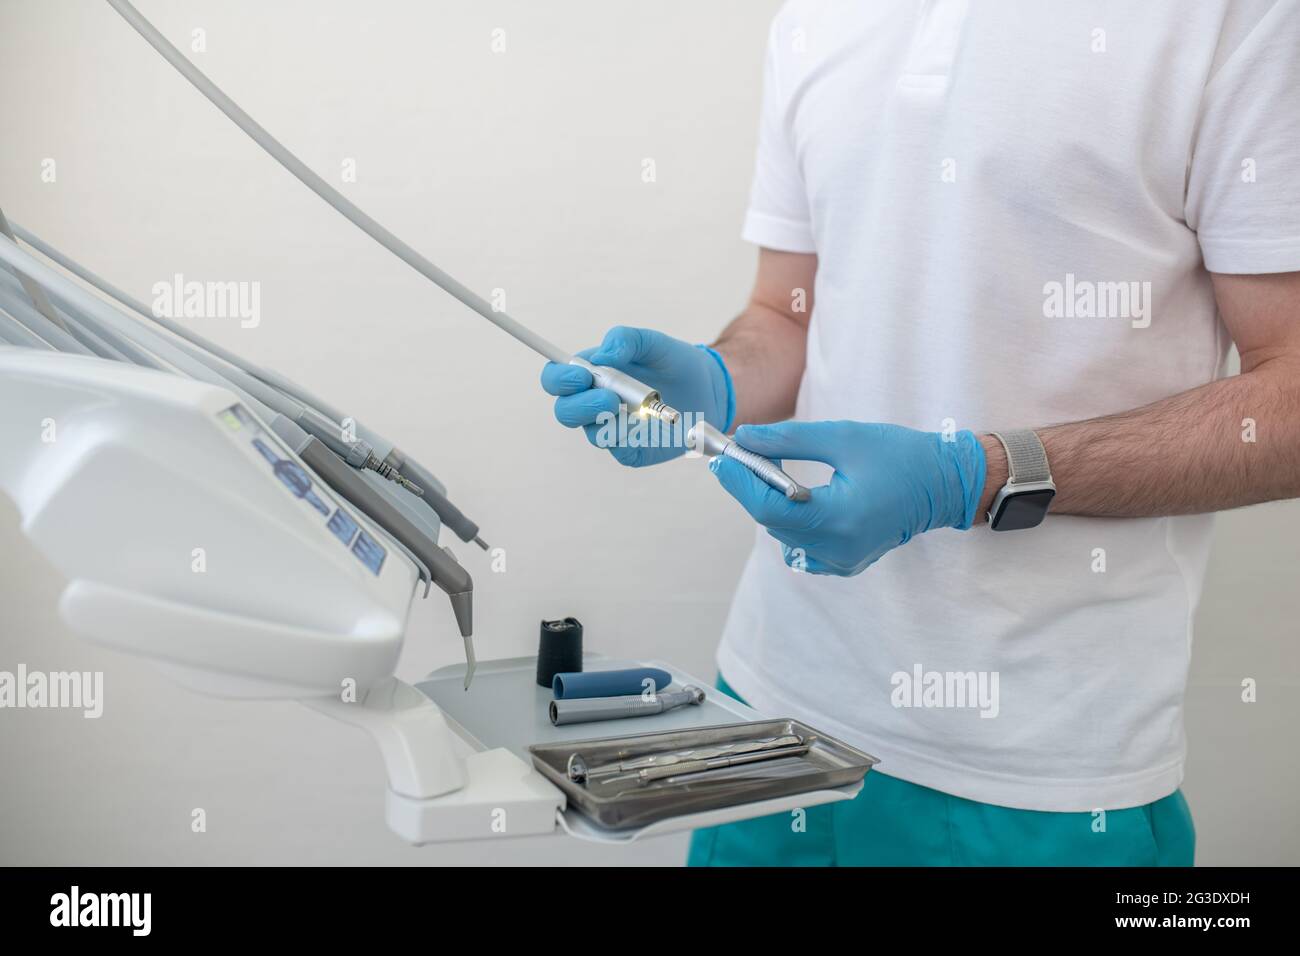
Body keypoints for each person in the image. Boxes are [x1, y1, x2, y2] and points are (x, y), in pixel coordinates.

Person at [540, 0, 1300, 865]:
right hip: (770, 722)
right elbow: (783, 315)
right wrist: (716, 381)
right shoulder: (814, 19)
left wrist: (974, 476)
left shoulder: (1237, 18)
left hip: (1042, 778)